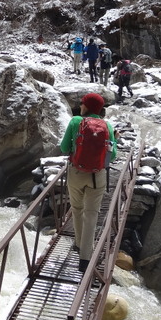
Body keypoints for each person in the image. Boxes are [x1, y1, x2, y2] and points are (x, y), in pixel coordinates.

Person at [59, 92, 117, 273]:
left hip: (76, 173)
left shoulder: (76, 121)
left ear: (87, 106)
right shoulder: (107, 125)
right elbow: (113, 155)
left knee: (76, 209)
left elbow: (64, 148)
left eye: (82, 103)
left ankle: (77, 243)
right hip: (97, 176)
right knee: (91, 214)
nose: (81, 106)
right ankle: (85, 259)